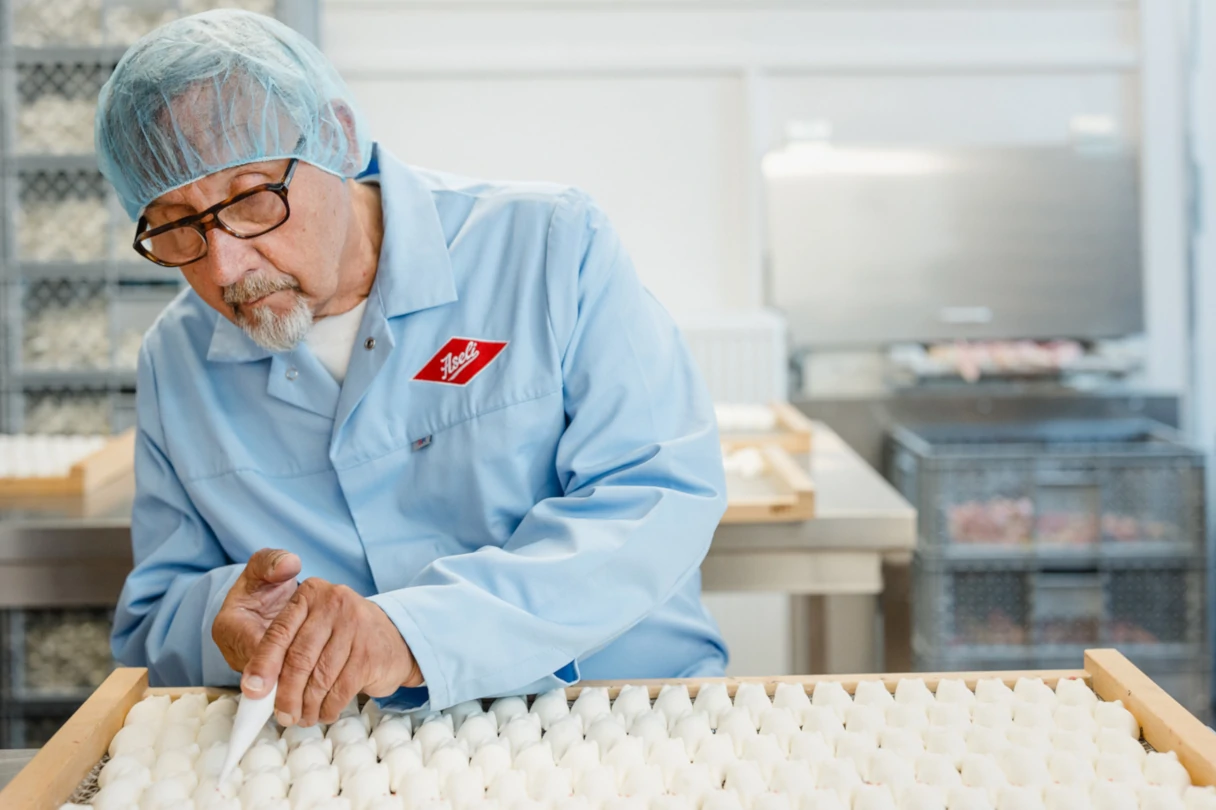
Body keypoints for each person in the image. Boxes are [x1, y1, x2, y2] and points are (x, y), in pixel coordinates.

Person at [97, 9, 727, 725]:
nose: (225, 265)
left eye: (249, 199)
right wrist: (224, 619)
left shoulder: (547, 247)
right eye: (177, 224)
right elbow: (155, 622)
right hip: (355, 756)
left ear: (334, 136)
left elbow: (658, 495)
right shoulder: (177, 357)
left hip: (625, 717)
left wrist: (413, 637)